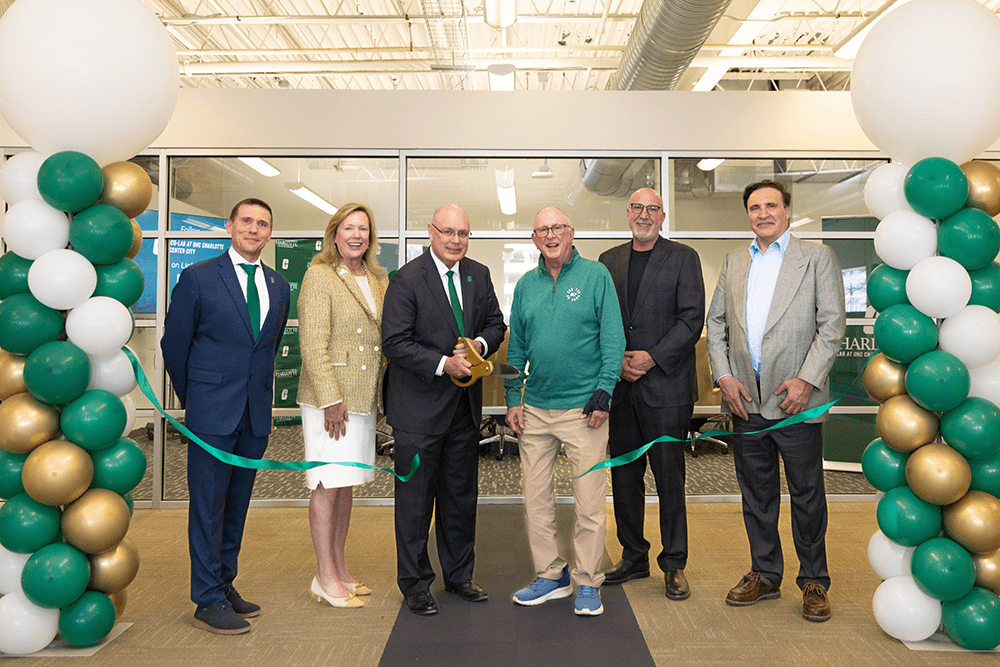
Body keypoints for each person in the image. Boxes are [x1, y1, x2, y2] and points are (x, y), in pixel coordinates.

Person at [705, 179, 845, 623]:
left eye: (770, 205)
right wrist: (724, 378)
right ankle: (765, 573)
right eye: (754, 207)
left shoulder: (817, 257)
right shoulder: (734, 261)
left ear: (787, 211)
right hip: (746, 401)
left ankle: (814, 581)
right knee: (757, 495)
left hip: (796, 403)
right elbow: (717, 326)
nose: (762, 213)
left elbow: (831, 326)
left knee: (807, 495)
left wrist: (806, 381)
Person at [161, 198, 291, 635]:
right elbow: (174, 346)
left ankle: (225, 583)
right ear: (230, 226)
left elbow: (266, 349)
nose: (255, 230)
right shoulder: (198, 278)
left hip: (254, 414)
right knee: (208, 508)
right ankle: (207, 599)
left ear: (270, 232)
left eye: (263, 224)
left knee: (236, 505)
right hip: (211, 415)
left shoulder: (278, 284)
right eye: (247, 221)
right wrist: (196, 400)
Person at [381, 204, 506, 616]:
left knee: (459, 498)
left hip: (463, 412)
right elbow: (395, 343)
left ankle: (459, 576)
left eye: (463, 233)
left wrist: (479, 346)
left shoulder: (478, 274)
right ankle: (416, 584)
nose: (456, 240)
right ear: (431, 232)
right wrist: (444, 364)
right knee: (415, 503)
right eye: (448, 232)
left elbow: (495, 323)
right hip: (417, 412)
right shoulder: (407, 279)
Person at [505, 207, 626, 617]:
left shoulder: (596, 277)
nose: (551, 235)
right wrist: (511, 397)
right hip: (536, 409)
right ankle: (550, 574)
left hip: (583, 411)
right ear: (534, 238)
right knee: (535, 500)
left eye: (558, 227)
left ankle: (588, 581)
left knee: (589, 500)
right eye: (543, 229)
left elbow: (613, 337)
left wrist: (605, 390)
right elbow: (516, 347)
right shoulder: (525, 285)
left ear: (571, 233)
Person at [597, 188, 705, 600]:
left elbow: (691, 319)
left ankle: (674, 563)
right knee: (624, 476)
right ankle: (633, 554)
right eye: (638, 208)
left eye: (652, 209)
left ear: (662, 216)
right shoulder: (608, 262)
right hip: (621, 388)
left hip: (667, 387)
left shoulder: (684, 258)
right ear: (628, 214)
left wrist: (650, 358)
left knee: (669, 478)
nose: (644, 215)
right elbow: (602, 320)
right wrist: (617, 363)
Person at [297, 203, 388, 609]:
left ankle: (339, 566)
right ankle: (324, 574)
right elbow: (312, 343)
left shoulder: (378, 278)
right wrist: (331, 399)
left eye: (363, 230)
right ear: (334, 234)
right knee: (325, 482)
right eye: (349, 228)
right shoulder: (319, 276)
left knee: (346, 484)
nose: (357, 235)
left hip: (363, 397)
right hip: (329, 399)